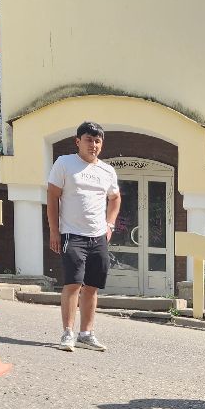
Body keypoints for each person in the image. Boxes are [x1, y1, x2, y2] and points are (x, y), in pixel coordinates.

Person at [48, 121, 121, 352]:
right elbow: (52, 197)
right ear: (78, 141)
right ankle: (68, 333)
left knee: (92, 287)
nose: (93, 145)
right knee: (73, 283)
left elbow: (115, 198)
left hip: (98, 236)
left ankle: (86, 333)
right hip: (72, 234)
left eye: (97, 141)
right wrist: (54, 231)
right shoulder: (65, 163)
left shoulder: (107, 171)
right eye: (89, 140)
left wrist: (109, 224)